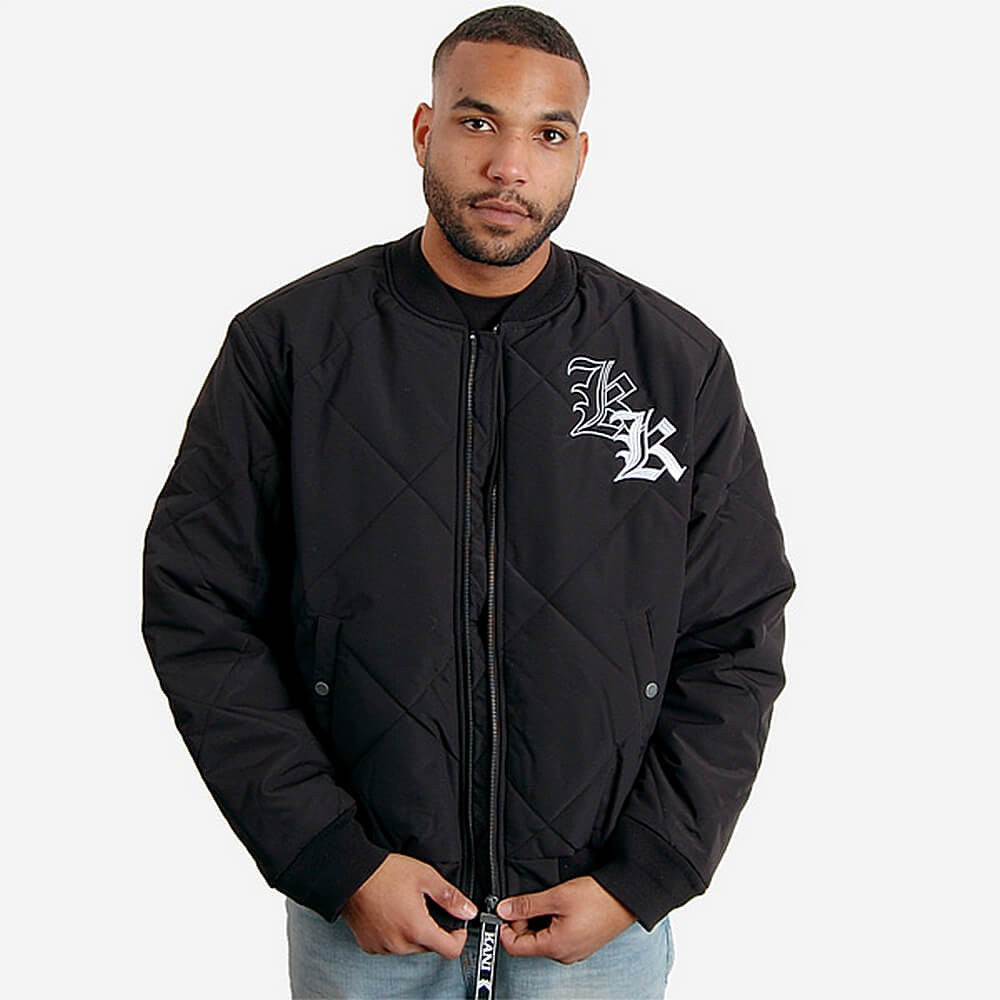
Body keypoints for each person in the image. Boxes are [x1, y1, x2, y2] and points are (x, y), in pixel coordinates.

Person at [141, 6, 794, 998]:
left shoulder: (672, 363)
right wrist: (332, 856)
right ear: (423, 130)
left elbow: (734, 635)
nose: (509, 167)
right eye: (478, 122)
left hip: (595, 913)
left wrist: (644, 872)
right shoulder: (289, 347)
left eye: (548, 134)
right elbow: (199, 605)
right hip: (367, 909)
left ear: (581, 155)